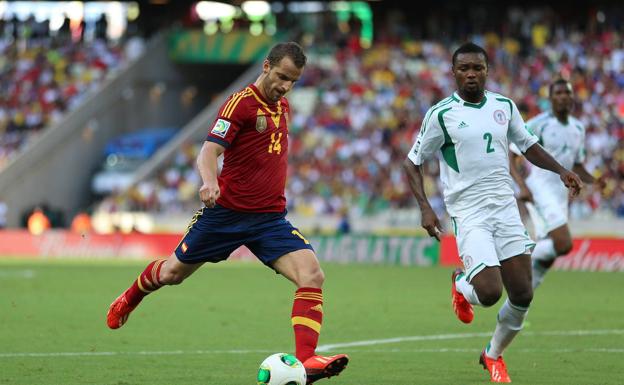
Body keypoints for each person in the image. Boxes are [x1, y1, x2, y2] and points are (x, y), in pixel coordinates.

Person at [106, 42, 348, 383]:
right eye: (281, 77)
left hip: (269, 219)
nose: (285, 86)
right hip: (225, 215)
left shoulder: (284, 107)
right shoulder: (240, 104)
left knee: (312, 275)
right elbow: (207, 152)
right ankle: (130, 297)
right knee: (173, 273)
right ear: (266, 66)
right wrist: (209, 182)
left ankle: (307, 360)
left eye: (292, 81)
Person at [403, 42, 582, 383]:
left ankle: (493, 355)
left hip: (505, 207)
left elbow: (528, 145)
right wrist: (425, 208)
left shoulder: (504, 106)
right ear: (454, 73)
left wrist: (561, 170)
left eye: (478, 68)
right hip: (469, 212)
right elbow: (412, 162)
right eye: (464, 68)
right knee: (488, 292)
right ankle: (461, 284)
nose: (471, 74)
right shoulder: (441, 114)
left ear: (487, 71)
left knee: (523, 294)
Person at [509, 79, 600, 290]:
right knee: (563, 243)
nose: (563, 97)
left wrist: (596, 181)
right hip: (539, 190)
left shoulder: (579, 128)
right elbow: (511, 155)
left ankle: (517, 309)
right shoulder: (538, 123)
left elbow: (576, 165)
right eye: (558, 93)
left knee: (546, 260)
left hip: (561, 195)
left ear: (572, 98)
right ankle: (514, 260)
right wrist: (523, 186)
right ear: (550, 99)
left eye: (567, 93)